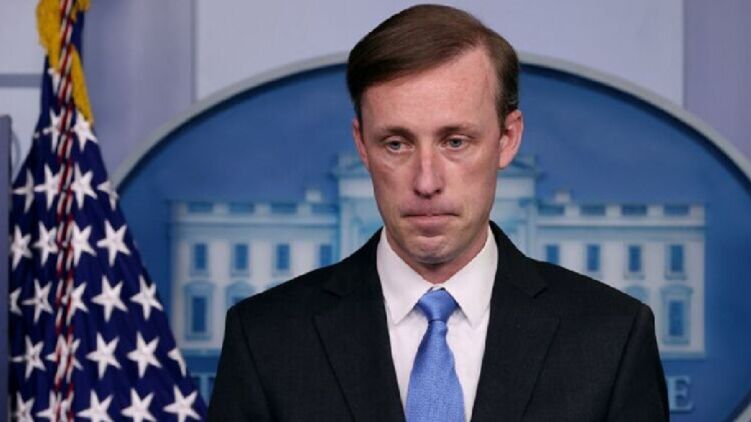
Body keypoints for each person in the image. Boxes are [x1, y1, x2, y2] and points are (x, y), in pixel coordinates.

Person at [208, 4, 668, 421]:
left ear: (507, 138)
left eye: (455, 141)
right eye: (396, 144)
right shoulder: (265, 339)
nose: (426, 182)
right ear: (362, 145)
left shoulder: (612, 338)